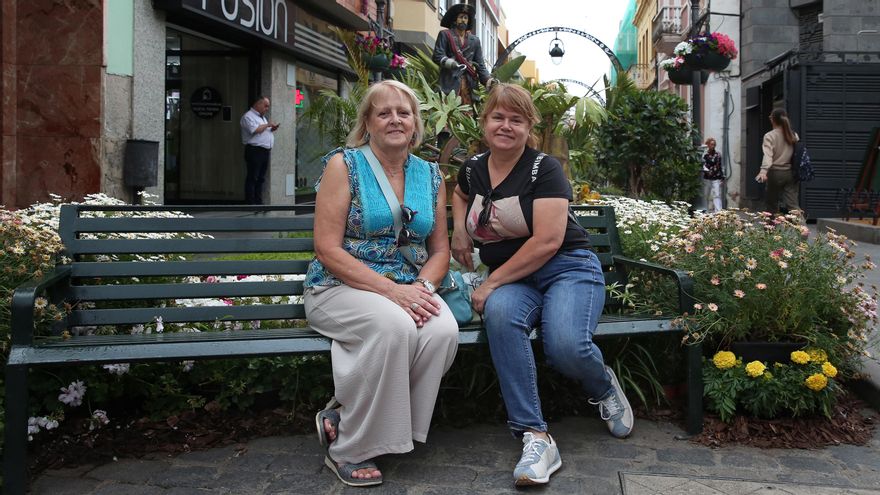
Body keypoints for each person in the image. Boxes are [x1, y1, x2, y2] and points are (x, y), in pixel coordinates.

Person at [450, 83, 633, 487]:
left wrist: (489, 282)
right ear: (484, 122)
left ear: (528, 126)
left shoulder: (543, 168)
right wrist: (459, 233)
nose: (506, 126)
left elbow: (548, 241)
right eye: (498, 117)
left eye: (516, 119)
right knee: (500, 314)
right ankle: (535, 436)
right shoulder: (473, 167)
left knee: (566, 346)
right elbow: (460, 193)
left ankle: (601, 385)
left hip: (566, 267)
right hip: (518, 281)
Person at [304, 80, 459, 487]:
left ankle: (347, 415)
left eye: (403, 113)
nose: (394, 119)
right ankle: (349, 448)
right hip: (338, 286)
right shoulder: (344, 165)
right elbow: (327, 249)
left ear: (415, 125)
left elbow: (439, 250)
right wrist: (393, 292)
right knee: (395, 326)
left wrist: (422, 290)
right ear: (368, 123)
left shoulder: (430, 175)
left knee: (442, 329)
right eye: (383, 112)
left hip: (408, 287)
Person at [432, 2, 493, 107]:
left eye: (465, 17)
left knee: (468, 115)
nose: (463, 20)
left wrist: (488, 80)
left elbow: (480, 65)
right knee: (449, 116)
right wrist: (450, 63)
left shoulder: (475, 40)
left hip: (469, 84)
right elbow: (438, 55)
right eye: (461, 17)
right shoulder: (445, 35)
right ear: (455, 19)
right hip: (450, 82)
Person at [756, 108, 799, 213]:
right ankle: (803, 228)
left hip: (775, 173)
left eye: (770, 117)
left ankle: (771, 228)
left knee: (771, 205)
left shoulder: (769, 136)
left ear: (773, 120)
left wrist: (763, 171)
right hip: (790, 173)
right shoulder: (794, 135)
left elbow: (768, 155)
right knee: (793, 206)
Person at [240, 96, 278, 204]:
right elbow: (255, 130)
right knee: (253, 177)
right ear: (258, 104)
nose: (267, 109)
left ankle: (258, 202)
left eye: (268, 107)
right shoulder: (248, 116)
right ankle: (250, 203)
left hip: (264, 151)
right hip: (254, 151)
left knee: (261, 178)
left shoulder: (262, 117)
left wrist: (271, 129)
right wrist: (267, 125)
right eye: (265, 106)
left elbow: (263, 130)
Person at [702, 137, 724, 212]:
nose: (713, 146)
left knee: (717, 194)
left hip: (716, 177)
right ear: (708, 145)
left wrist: (722, 177)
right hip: (707, 177)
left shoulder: (718, 154)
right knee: (706, 195)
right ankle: (705, 210)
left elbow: (718, 166)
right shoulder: (705, 155)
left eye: (714, 144)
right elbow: (703, 165)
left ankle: (718, 211)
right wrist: (707, 171)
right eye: (711, 144)